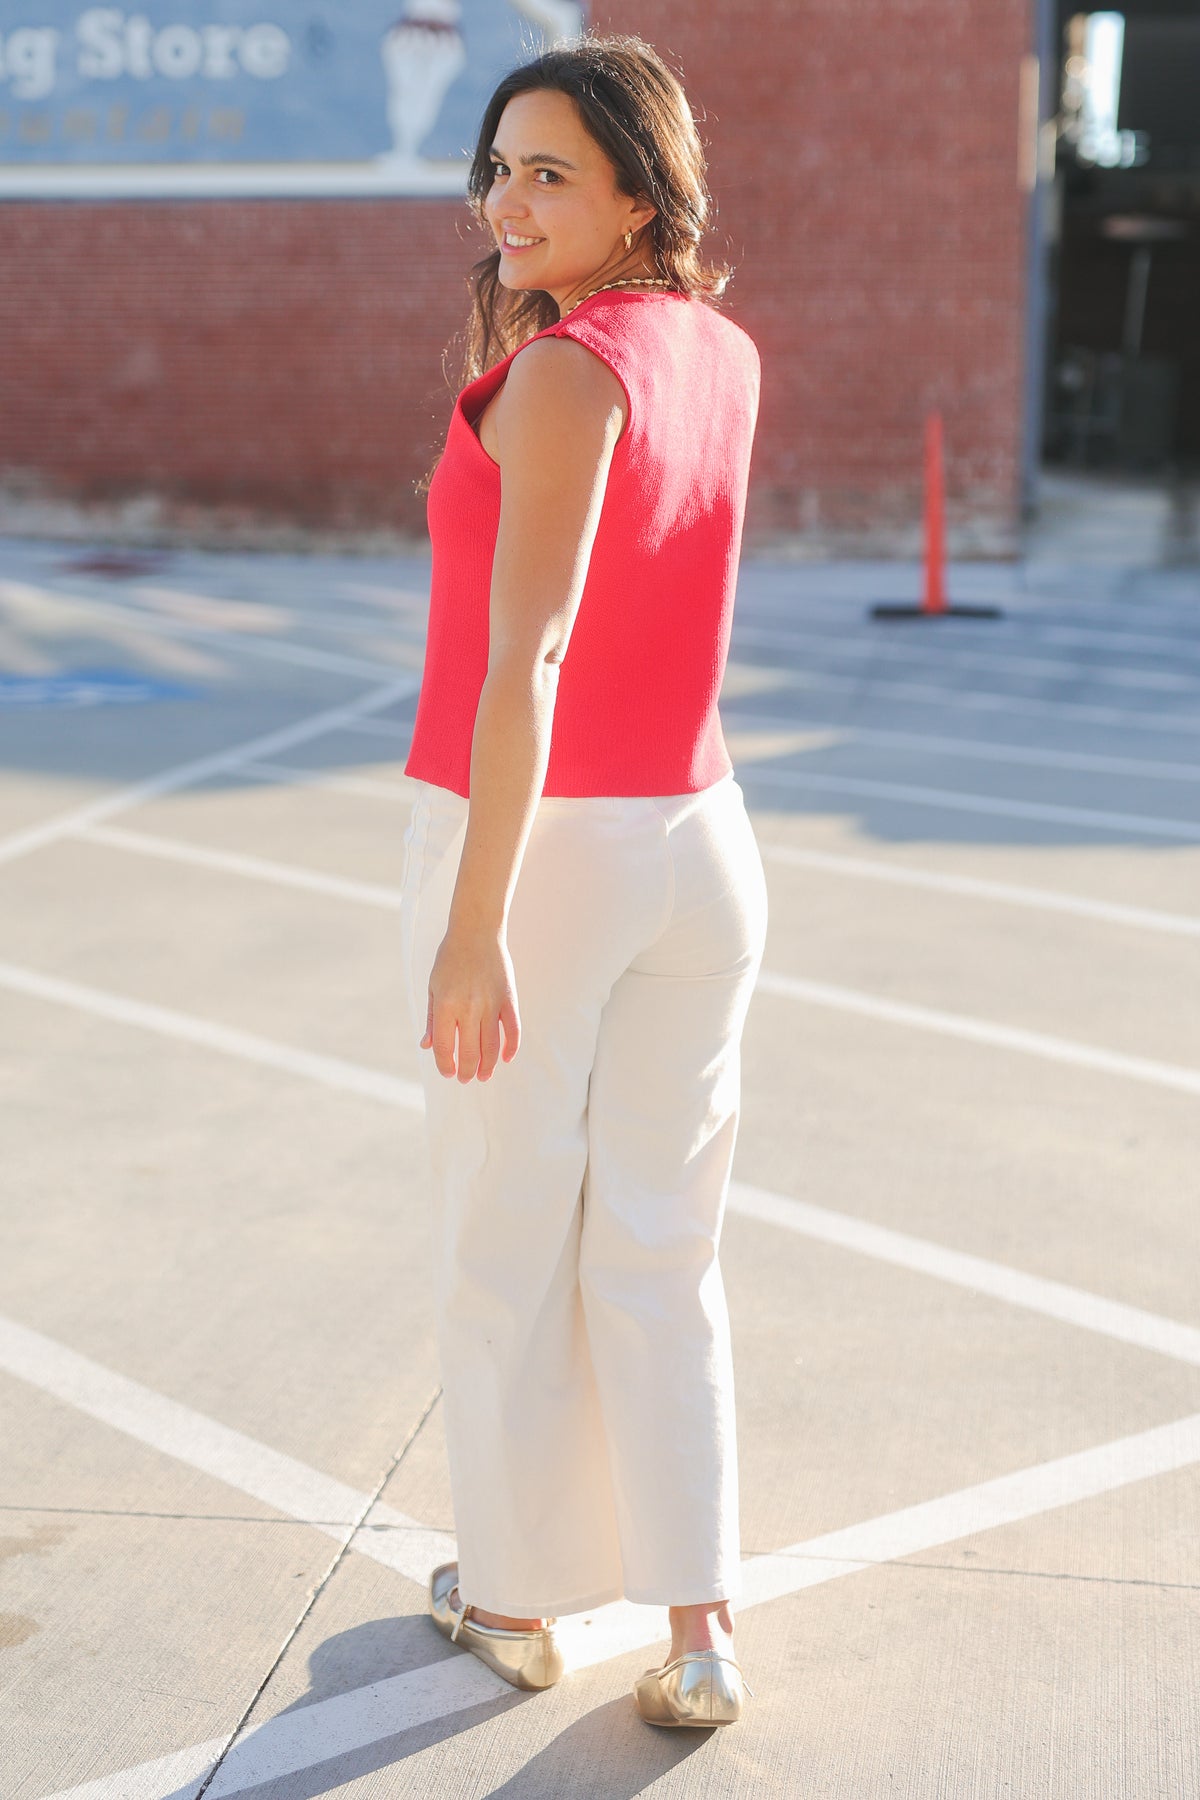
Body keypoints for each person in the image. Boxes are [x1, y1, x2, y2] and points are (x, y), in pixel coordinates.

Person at [400, 31, 766, 1729]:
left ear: (641, 193)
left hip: (549, 849)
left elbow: (524, 663)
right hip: (700, 840)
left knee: (501, 1236)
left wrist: (474, 929)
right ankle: (698, 1632)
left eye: (552, 172)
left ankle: (518, 1599)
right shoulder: (720, 353)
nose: (507, 203)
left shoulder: (560, 374)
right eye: (497, 168)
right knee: (661, 1242)